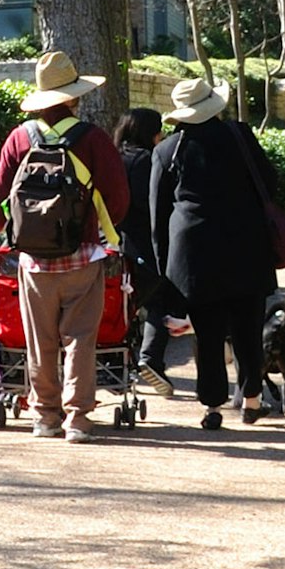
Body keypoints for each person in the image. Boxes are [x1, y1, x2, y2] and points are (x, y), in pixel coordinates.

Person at [0, 51, 132, 441]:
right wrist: (103, 233)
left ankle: (44, 416)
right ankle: (77, 418)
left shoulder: (20, 138)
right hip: (82, 257)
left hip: (32, 260)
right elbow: (117, 197)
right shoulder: (93, 139)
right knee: (81, 336)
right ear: (75, 98)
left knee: (39, 338)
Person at [140, 75, 285, 429]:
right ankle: (251, 400)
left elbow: (157, 215)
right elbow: (270, 181)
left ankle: (213, 407)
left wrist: (164, 270)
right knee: (247, 326)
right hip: (246, 243)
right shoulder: (241, 136)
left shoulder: (166, 150)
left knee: (207, 333)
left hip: (194, 253)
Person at [114, 103, 180, 392]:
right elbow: (151, 205)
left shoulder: (113, 157)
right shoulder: (146, 160)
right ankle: (150, 358)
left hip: (112, 245)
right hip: (144, 246)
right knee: (162, 300)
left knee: (119, 307)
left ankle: (118, 363)